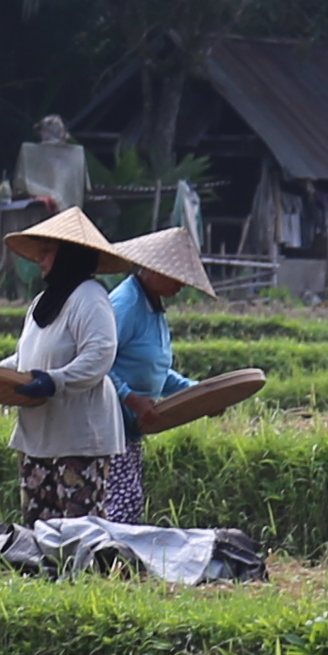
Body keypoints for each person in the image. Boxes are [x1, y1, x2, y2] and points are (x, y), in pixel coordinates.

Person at [0, 203, 129, 526]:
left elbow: (99, 355)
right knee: (39, 526)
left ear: (70, 254)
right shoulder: (42, 302)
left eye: (48, 251)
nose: (39, 258)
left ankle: (82, 579)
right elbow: (24, 360)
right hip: (37, 436)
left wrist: (56, 380)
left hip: (78, 438)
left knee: (79, 529)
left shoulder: (90, 298)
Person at [90, 224, 207, 524]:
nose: (181, 286)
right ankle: (107, 565)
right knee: (118, 504)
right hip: (108, 426)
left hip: (129, 429)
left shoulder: (152, 308)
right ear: (155, 270)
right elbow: (97, 361)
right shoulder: (126, 304)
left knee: (128, 501)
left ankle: (114, 566)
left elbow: (157, 371)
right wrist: (132, 399)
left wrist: (197, 393)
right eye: (177, 278)